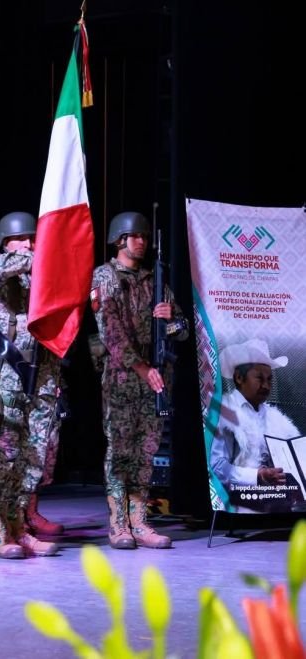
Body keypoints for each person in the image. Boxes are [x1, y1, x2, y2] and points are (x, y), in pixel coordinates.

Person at [90, 211, 188, 550]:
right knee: (120, 453)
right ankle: (118, 525)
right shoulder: (104, 277)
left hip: (156, 381)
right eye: (136, 236)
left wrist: (171, 318)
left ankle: (140, 521)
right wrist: (142, 368)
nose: (142, 242)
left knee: (146, 455)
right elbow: (111, 333)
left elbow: (183, 331)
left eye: (145, 236)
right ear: (120, 240)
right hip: (123, 379)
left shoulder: (154, 280)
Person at [0, 211, 62, 559]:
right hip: (7, 371)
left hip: (43, 371)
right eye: (20, 239)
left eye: (32, 239)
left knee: (34, 454)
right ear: (4, 243)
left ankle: (20, 526)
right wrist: (32, 258)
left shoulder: (40, 274)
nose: (28, 245)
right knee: (4, 453)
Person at [210, 338, 302, 511]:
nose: (266, 385)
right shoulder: (224, 412)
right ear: (239, 377)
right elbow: (217, 466)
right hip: (240, 503)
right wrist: (256, 476)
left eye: (269, 379)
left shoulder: (276, 419)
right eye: (259, 378)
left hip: (279, 502)